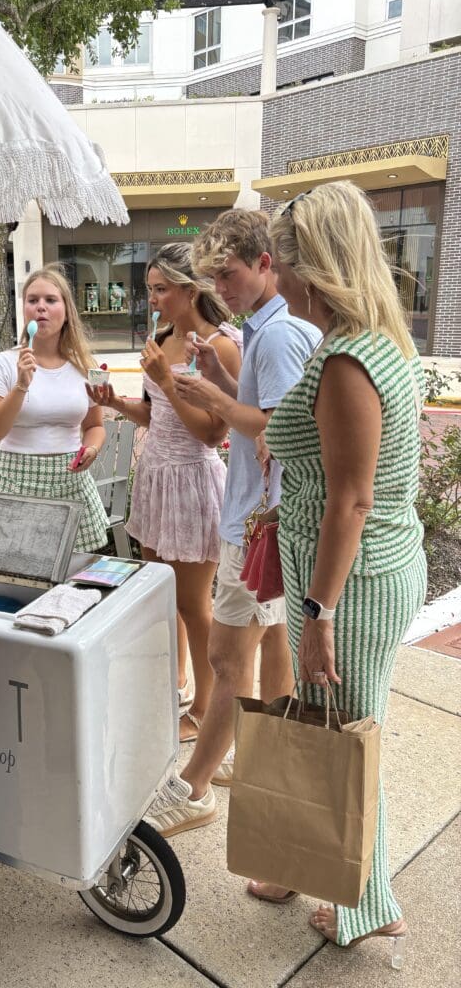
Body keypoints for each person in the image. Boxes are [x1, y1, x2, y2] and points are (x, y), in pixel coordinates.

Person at [255, 181, 426, 954]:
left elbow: (349, 503)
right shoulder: (362, 343)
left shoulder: (349, 359)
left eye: (282, 259)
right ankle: (300, 860)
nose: (275, 273)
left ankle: (365, 902)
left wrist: (320, 615)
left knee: (348, 735)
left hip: (350, 584)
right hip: (357, 571)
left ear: (309, 263)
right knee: (334, 728)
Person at [145, 208, 319, 839]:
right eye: (214, 277)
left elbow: (278, 429)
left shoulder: (274, 335)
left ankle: (194, 786)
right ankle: (247, 758)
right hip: (265, 516)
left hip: (258, 521)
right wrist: (223, 379)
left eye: (230, 274)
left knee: (224, 655)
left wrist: (212, 395)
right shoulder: (268, 329)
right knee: (264, 647)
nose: (222, 288)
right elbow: (266, 408)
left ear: (266, 263)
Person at [87, 244, 241, 742]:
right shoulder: (160, 336)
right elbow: (155, 415)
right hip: (155, 476)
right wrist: (116, 403)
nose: (151, 299)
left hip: (193, 480)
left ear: (189, 290)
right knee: (160, 591)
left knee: (196, 603)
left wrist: (167, 383)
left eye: (160, 289)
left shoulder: (222, 345)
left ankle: (205, 706)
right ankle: (172, 683)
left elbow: (213, 435)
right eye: (149, 289)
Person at [0, 264, 108, 552]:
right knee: (16, 564)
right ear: (24, 309)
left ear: (66, 309)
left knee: (72, 572)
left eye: (51, 300)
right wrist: (20, 386)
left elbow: (95, 426)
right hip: (14, 478)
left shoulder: (85, 366)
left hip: (70, 481)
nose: (41, 308)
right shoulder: (5, 363)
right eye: (33, 300)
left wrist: (91, 450)